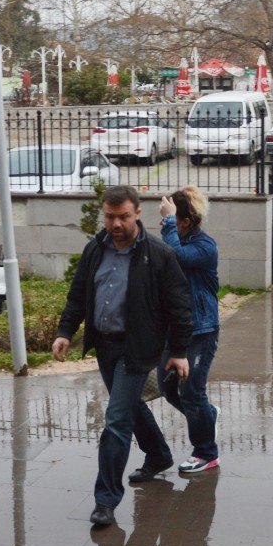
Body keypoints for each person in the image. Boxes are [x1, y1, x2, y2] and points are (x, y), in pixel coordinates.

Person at [53, 185, 193, 528]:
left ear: (138, 214)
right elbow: (78, 293)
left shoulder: (158, 255)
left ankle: (106, 501)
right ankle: (159, 454)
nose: (116, 224)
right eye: (110, 216)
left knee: (115, 421)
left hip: (137, 348)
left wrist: (178, 352)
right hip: (104, 344)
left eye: (123, 217)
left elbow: (179, 308)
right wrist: (65, 332)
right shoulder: (95, 249)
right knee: (129, 403)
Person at [158, 186, 222, 473]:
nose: (165, 223)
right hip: (176, 330)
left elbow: (176, 258)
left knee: (192, 392)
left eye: (172, 219)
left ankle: (206, 453)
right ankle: (207, 417)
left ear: (185, 221)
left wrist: (168, 222)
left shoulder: (205, 246)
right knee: (167, 386)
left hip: (202, 330)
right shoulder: (175, 238)